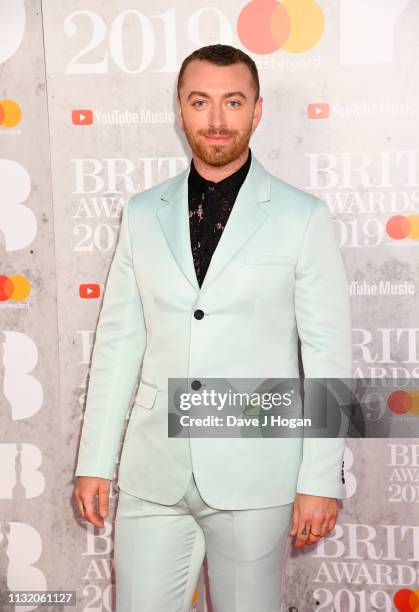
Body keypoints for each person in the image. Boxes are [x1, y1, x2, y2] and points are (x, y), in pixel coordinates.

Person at [73, 44, 352, 612]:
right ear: (180, 109)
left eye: (233, 102)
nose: (217, 119)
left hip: (257, 472)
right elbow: (118, 343)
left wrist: (321, 478)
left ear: (257, 111)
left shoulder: (303, 217)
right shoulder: (142, 212)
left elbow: (327, 354)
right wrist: (95, 461)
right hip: (154, 471)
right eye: (201, 102)